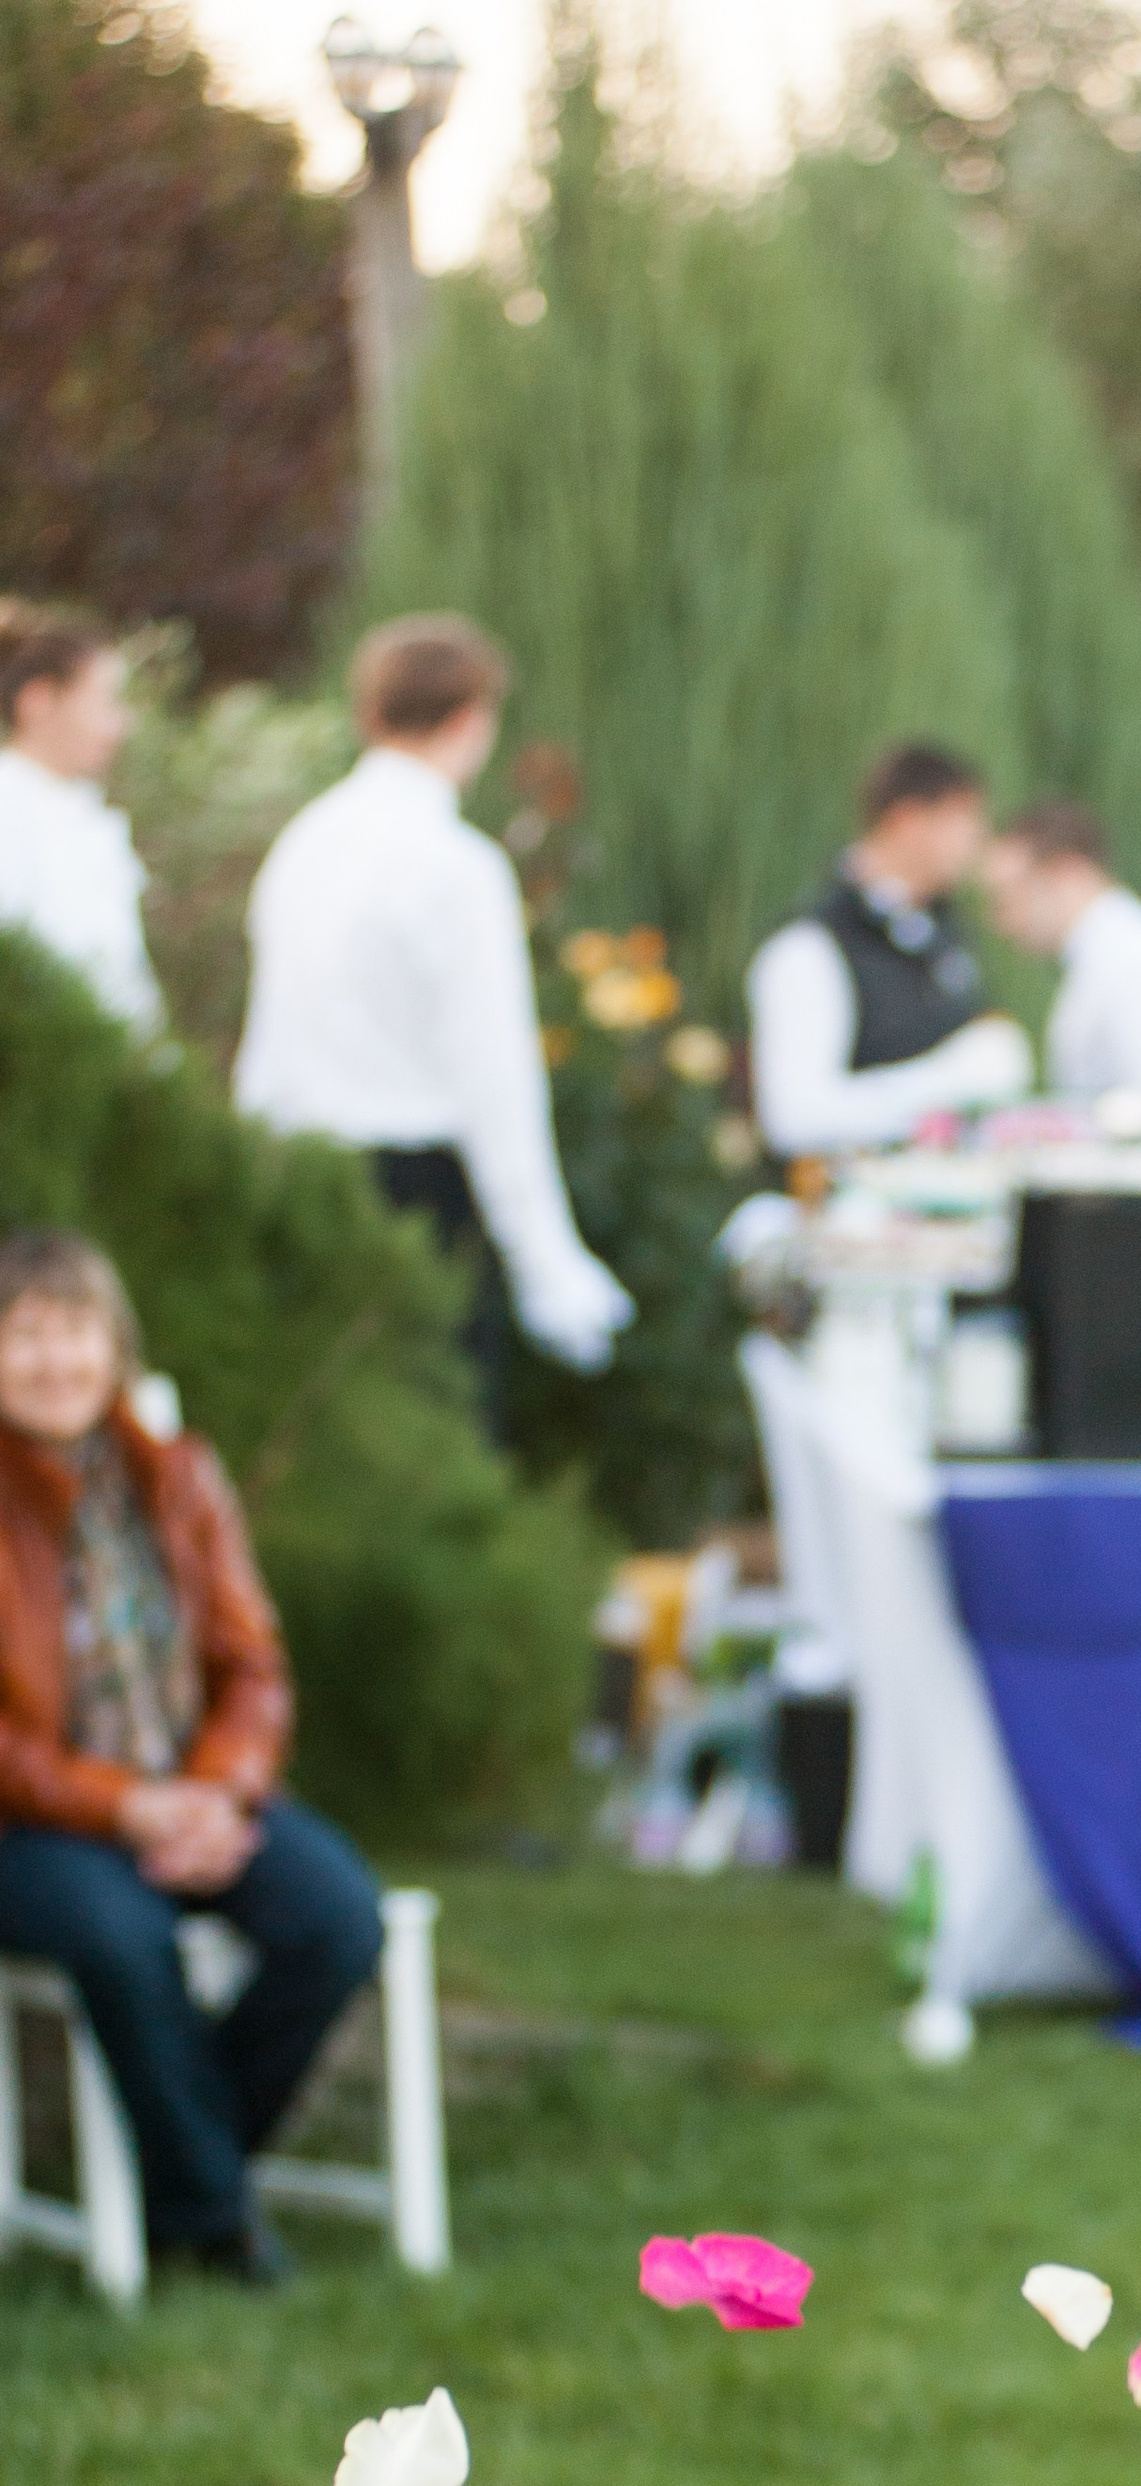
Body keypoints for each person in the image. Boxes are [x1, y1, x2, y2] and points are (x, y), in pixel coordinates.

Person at [0, 1228, 383, 2284]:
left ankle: (183, 2171)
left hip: (199, 1790)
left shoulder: (180, 1477)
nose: (52, 1361)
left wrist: (216, 1790)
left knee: (338, 1916)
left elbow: (252, 1666)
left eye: (73, 1330)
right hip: (36, 1821)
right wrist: (127, 1809)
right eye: (22, 1334)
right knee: (122, 1935)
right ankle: (216, 2218)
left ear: (115, 1346)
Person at [235, 615, 632, 1426]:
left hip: (306, 1173)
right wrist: (545, 1258)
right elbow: (494, 1077)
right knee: (434, 1438)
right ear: (471, 721)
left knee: (330, 1431)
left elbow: (266, 1044)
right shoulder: (458, 867)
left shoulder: (302, 843)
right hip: (419, 1192)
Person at [746, 740, 1032, 1159]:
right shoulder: (809, 948)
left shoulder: (942, 931)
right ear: (908, 821)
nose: (977, 840)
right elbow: (793, 1120)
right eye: (964, 820)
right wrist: (947, 1084)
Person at [978, 799, 1141, 1112]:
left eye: (1009, 894)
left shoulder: (1140, 966)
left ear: (1066, 871)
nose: (1000, 922)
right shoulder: (1113, 957)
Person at [0, 602, 163, 1035]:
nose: (121, 723)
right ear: (38, 702)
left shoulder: (83, 812)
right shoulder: (10, 812)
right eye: (105, 702)